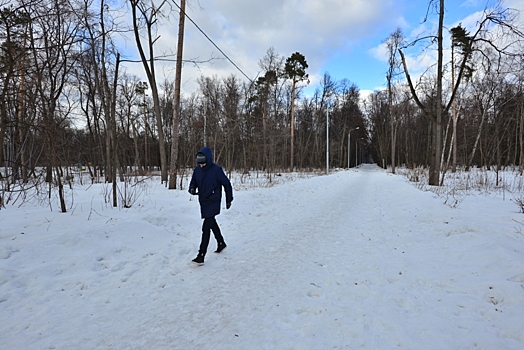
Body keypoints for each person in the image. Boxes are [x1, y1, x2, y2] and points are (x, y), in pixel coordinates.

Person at [188, 146, 233, 265]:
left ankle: (201, 255)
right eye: (199, 163)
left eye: (203, 163)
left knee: (206, 227)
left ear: (208, 160)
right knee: (212, 222)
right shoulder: (197, 170)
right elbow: (194, 181)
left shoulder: (216, 170)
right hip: (203, 200)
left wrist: (229, 199)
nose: (201, 165)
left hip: (213, 200)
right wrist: (192, 188)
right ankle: (221, 243)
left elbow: (227, 184)